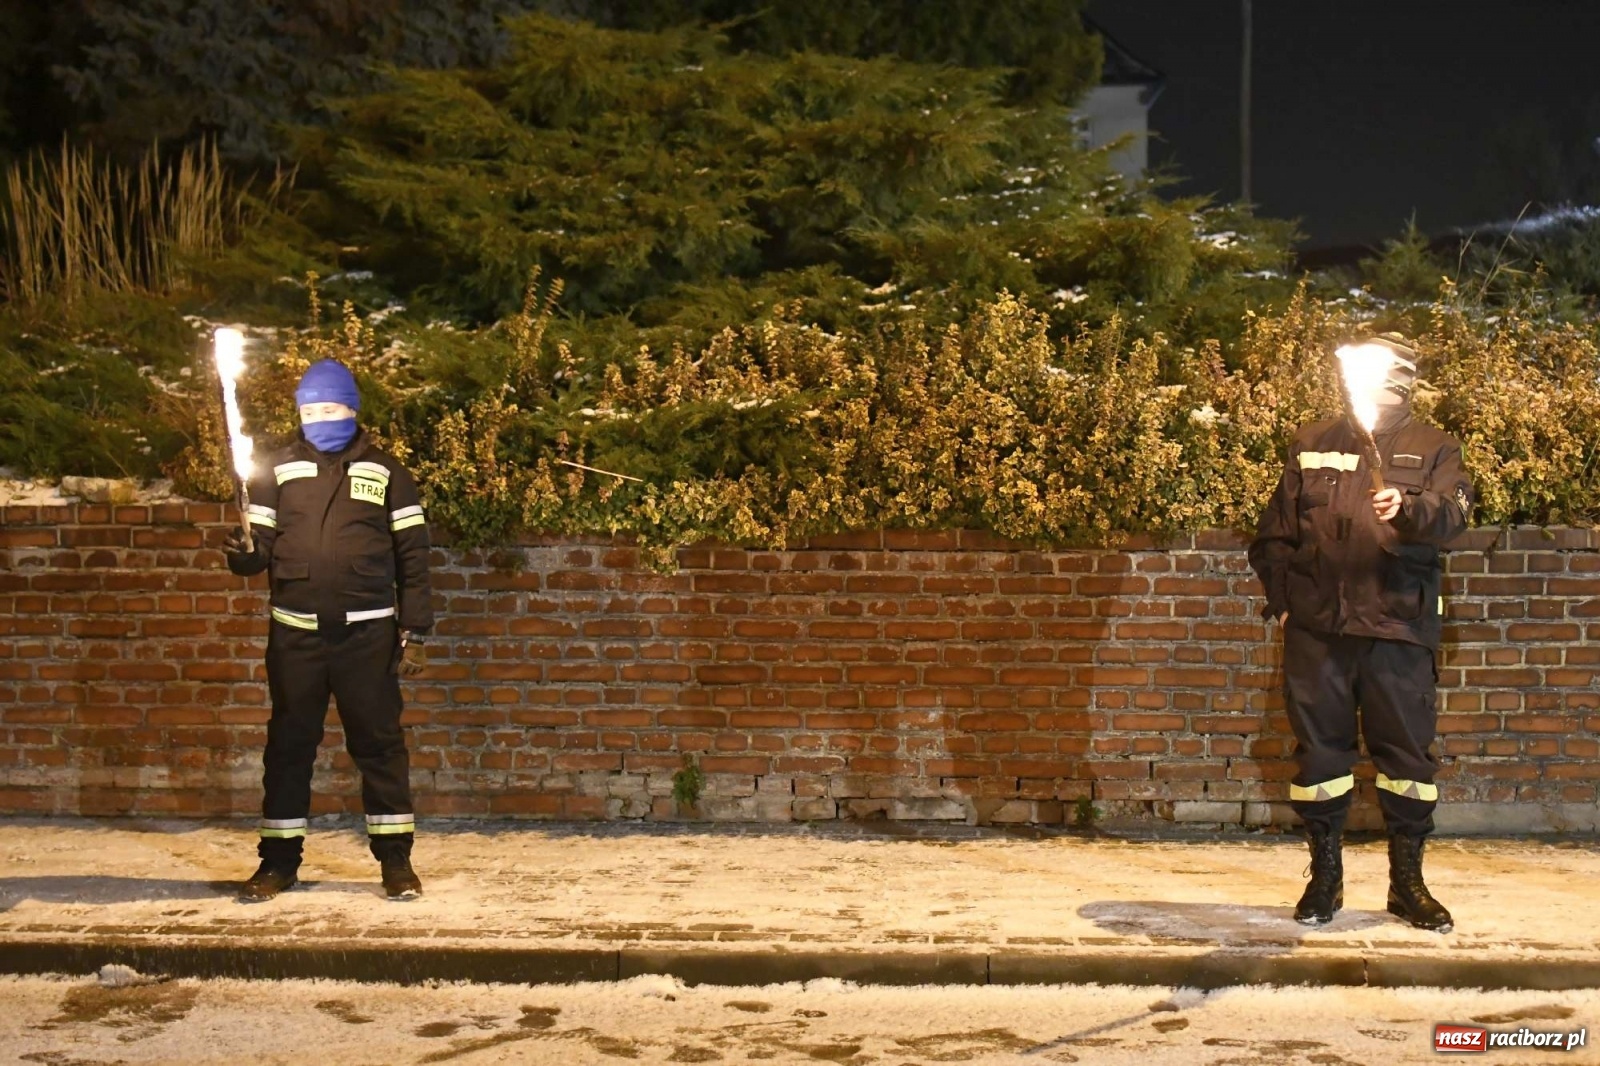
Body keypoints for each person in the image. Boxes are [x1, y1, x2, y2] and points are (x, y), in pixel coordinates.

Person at [1248, 333, 1473, 932]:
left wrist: (1409, 507)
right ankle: (1325, 880)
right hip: (1319, 633)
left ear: (1401, 378)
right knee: (1320, 759)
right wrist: (1287, 602)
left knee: (1406, 760)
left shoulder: (1435, 447)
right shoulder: (1312, 442)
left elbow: (1452, 518)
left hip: (1397, 627)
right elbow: (1274, 534)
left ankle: (1408, 885)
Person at [222, 358, 433, 902]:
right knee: (289, 747)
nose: (320, 418)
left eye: (330, 408)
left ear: (353, 409)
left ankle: (396, 863)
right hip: (296, 636)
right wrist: (244, 556)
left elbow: (413, 554)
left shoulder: (388, 472)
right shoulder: (276, 469)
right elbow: (259, 551)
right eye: (310, 410)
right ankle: (277, 864)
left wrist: (415, 628)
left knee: (380, 747)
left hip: (368, 636)